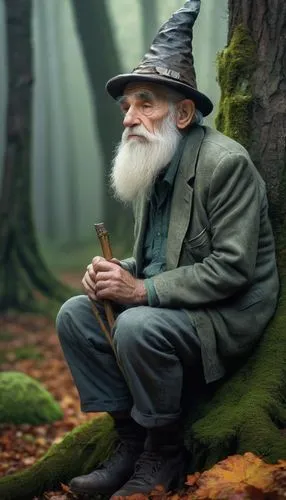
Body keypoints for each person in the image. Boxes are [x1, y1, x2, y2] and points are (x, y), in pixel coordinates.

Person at [56, 1, 279, 498]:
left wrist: (139, 290)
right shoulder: (152, 165)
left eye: (144, 103)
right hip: (173, 308)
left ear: (182, 113)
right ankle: (131, 442)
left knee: (136, 320)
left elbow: (232, 268)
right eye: (126, 108)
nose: (129, 119)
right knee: (76, 312)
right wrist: (115, 274)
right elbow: (162, 259)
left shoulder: (225, 164)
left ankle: (164, 450)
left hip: (226, 315)